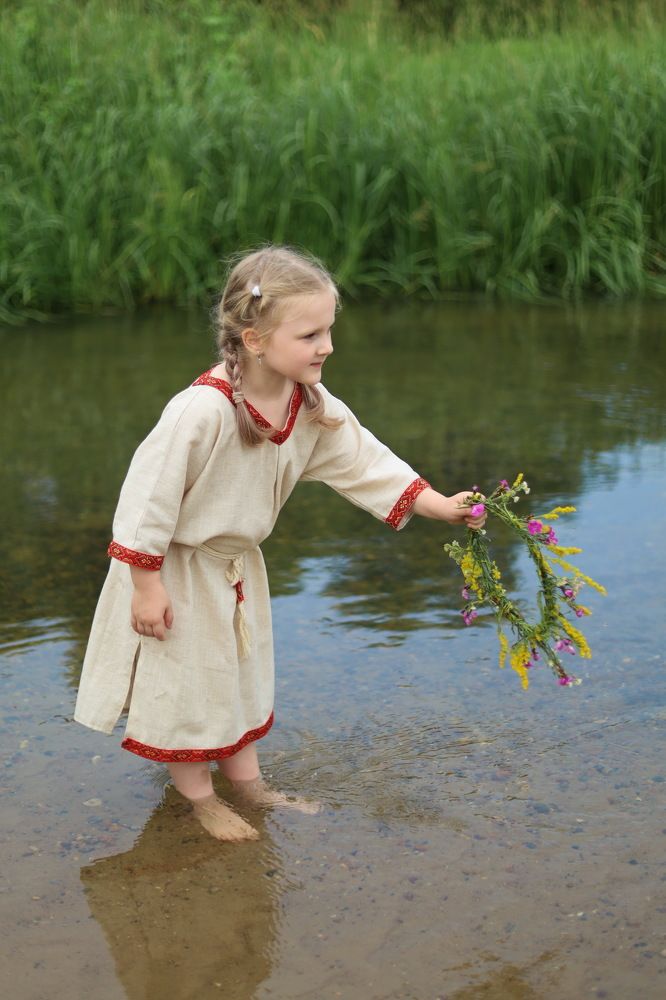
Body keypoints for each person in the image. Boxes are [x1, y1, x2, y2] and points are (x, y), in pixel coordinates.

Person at [74, 245, 486, 842]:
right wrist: (146, 586)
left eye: (329, 331)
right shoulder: (200, 412)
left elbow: (367, 461)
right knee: (189, 685)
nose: (327, 346)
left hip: (237, 569)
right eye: (311, 333)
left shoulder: (310, 406)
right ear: (254, 338)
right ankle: (197, 798)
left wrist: (438, 505)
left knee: (238, 677)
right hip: (178, 571)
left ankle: (249, 786)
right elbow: (146, 500)